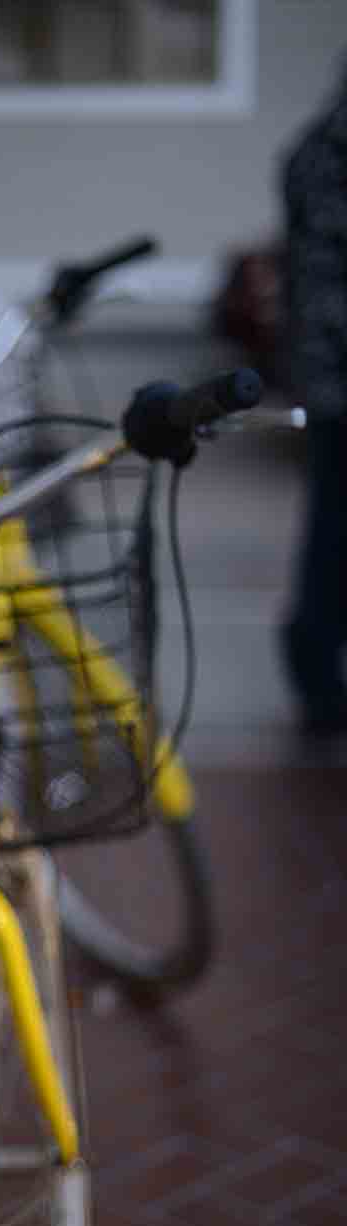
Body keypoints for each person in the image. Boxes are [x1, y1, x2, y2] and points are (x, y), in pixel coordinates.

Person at [279, 63, 347, 737]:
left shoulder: (315, 147)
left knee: (330, 524)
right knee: (332, 529)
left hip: (325, 375)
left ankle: (316, 663)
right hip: (336, 377)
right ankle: (317, 669)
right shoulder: (329, 156)